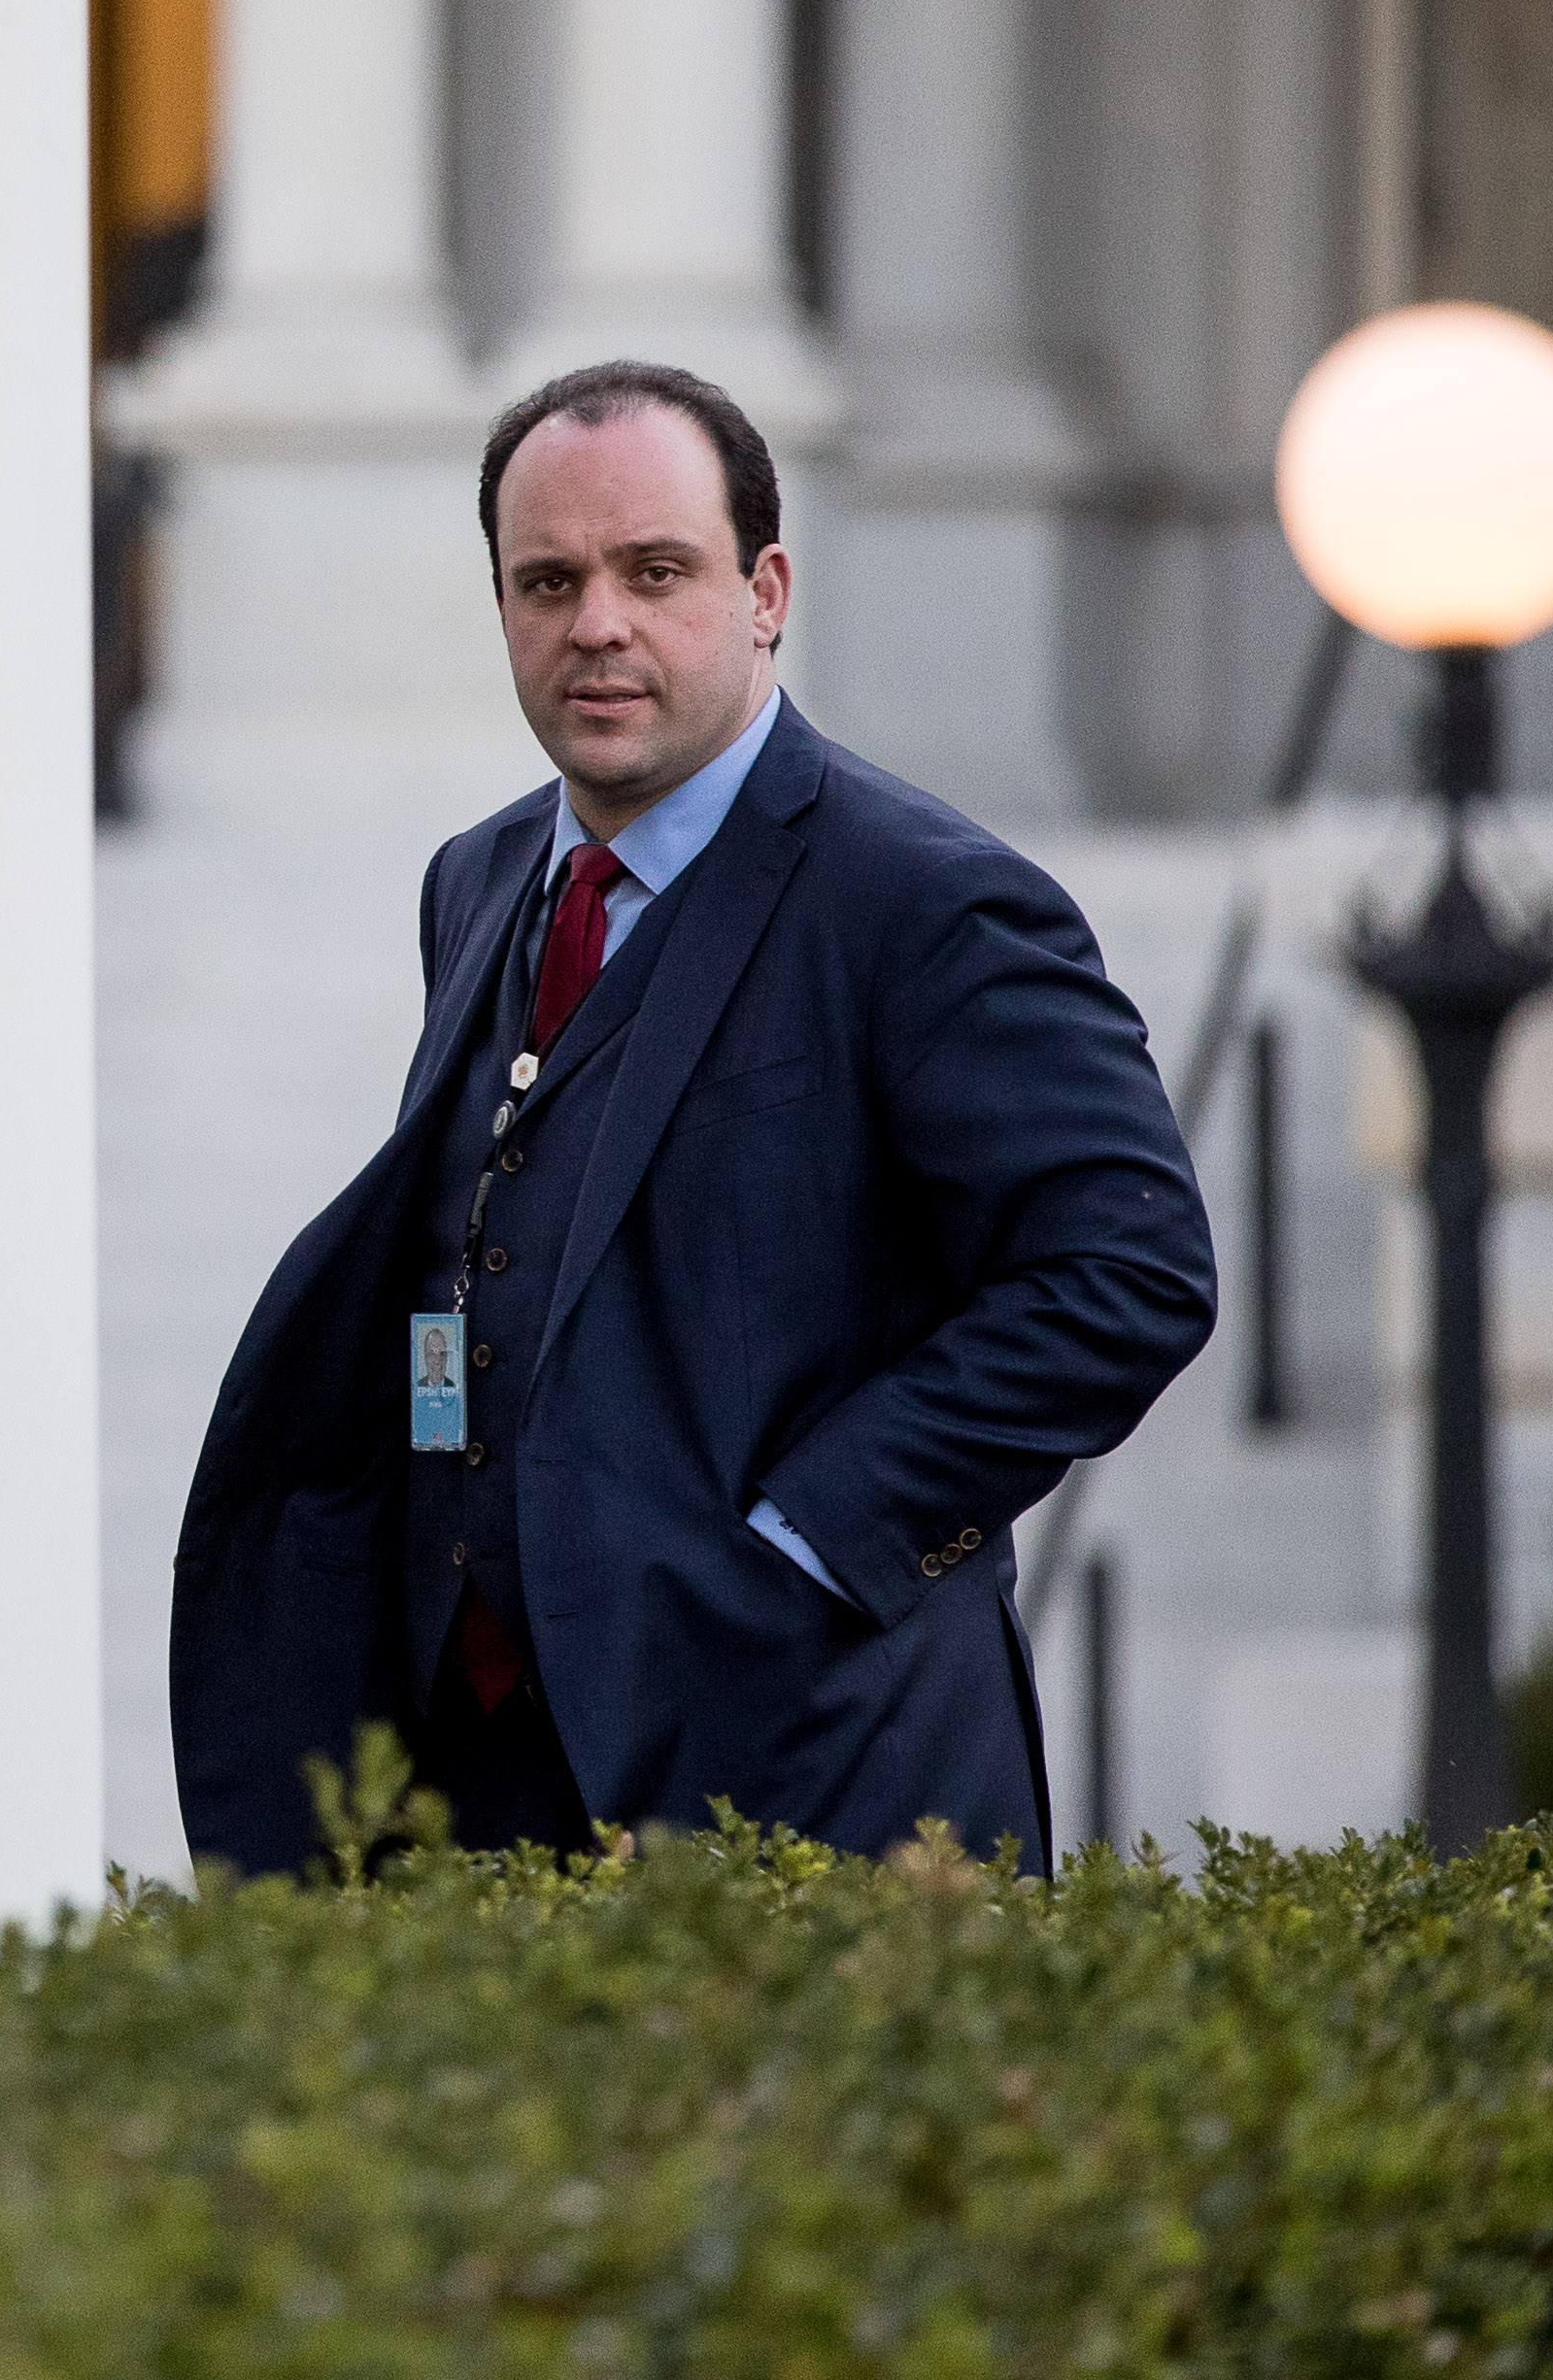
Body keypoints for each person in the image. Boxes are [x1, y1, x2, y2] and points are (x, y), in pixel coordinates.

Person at [169, 360, 1214, 1874]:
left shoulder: (923, 900)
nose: (598, 623)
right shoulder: (475, 884)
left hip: (816, 1778)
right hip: (473, 1791)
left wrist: (810, 1540)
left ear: (765, 588)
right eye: (549, 581)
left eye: (655, 573)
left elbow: (1129, 1275)